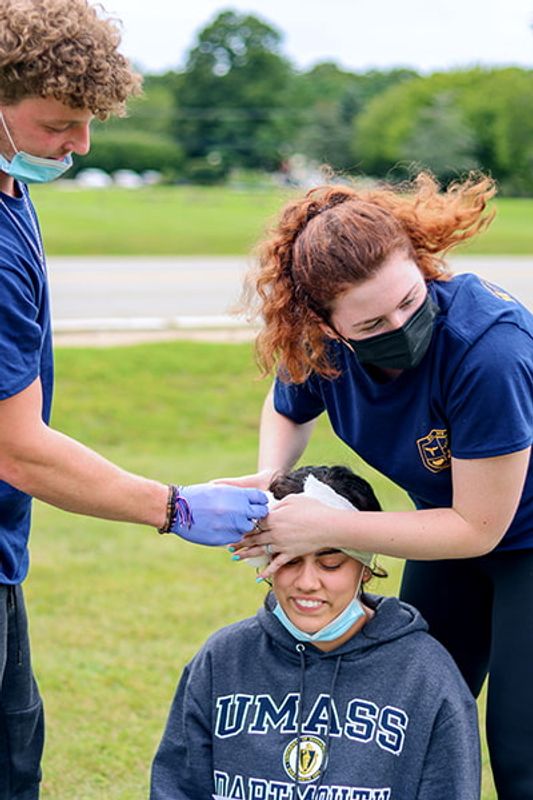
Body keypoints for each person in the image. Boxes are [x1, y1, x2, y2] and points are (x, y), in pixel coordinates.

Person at [0, 2, 268, 797]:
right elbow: (16, 447)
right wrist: (175, 506)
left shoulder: (13, 185)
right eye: (60, 123)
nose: (80, 145)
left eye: (88, 122)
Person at [224, 172, 533, 799]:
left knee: (520, 745)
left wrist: (327, 524)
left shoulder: (489, 351)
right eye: (370, 324)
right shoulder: (319, 344)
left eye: (411, 303)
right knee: (403, 712)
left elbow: (480, 527)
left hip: (511, 534)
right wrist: (272, 475)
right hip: (447, 532)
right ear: (325, 324)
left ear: (422, 266)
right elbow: (288, 406)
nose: (398, 326)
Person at [150, 465, 481, 800]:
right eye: (288, 561)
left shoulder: (425, 675)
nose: (307, 583)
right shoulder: (223, 659)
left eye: (331, 564)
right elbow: (177, 787)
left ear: (366, 568)